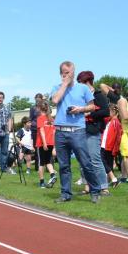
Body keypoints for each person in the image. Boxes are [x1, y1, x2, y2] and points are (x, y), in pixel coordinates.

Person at [50, 61, 101, 203]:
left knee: (85, 163)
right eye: (64, 73)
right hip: (60, 131)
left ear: (73, 72)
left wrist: (80, 109)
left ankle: (95, 191)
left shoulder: (83, 88)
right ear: (61, 74)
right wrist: (64, 85)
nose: (67, 75)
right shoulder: (56, 87)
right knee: (63, 165)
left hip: (77, 131)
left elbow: (92, 107)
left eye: (69, 72)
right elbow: (55, 100)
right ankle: (65, 194)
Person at [101, 84, 128, 184]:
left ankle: (124, 177)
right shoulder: (122, 101)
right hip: (122, 130)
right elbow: (124, 116)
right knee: (126, 153)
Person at [77, 71, 110, 195]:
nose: (79, 85)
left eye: (80, 82)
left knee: (95, 159)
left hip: (93, 130)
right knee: (83, 160)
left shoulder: (98, 95)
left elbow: (106, 112)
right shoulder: (80, 96)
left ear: (87, 82)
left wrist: (89, 114)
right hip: (80, 130)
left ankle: (104, 187)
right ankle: (87, 186)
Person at [101, 104, 123, 189]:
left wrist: (115, 148)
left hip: (109, 146)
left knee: (102, 161)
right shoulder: (109, 121)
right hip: (104, 145)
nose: (107, 113)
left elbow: (118, 137)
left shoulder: (115, 122)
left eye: (109, 111)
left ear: (113, 112)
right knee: (109, 163)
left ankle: (113, 179)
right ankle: (110, 181)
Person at [36, 100, 57, 188]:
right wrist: (54, 146)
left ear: (39, 108)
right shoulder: (51, 119)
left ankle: (41, 182)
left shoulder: (40, 118)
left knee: (41, 163)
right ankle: (53, 175)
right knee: (48, 161)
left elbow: (42, 131)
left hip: (42, 143)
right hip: (51, 143)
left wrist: (44, 143)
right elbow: (54, 132)